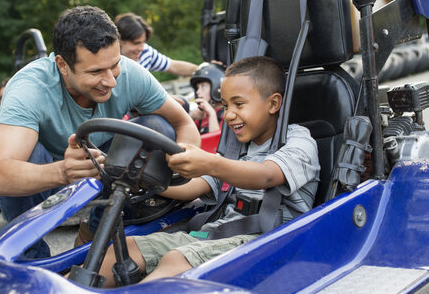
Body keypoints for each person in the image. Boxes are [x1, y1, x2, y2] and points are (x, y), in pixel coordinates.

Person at [0, 6, 200, 258]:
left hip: (103, 165)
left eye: (114, 65)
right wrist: (62, 171)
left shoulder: (131, 74)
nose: (110, 80)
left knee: (156, 128)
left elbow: (184, 124)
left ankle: (97, 232)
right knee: (26, 155)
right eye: (96, 72)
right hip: (45, 177)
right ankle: (31, 260)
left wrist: (185, 158)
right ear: (62, 65)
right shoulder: (29, 88)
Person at [97, 56, 320, 286]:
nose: (230, 114)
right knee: (127, 247)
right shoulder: (235, 148)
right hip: (217, 233)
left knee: (178, 259)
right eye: (225, 106)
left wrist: (210, 163)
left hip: (269, 241)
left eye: (239, 104)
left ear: (273, 104)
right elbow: (192, 188)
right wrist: (141, 178)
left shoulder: (299, 142)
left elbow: (267, 175)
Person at [114, 12, 197, 77]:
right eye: (136, 43)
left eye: (143, 42)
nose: (141, 48)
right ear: (120, 40)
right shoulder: (109, 62)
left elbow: (173, 66)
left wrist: (205, 69)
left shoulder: (145, 52)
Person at [189, 62, 225, 134]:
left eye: (203, 86)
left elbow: (215, 141)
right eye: (197, 88)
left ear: (217, 86)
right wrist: (190, 118)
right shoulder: (201, 115)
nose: (198, 92)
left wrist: (211, 114)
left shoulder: (225, 114)